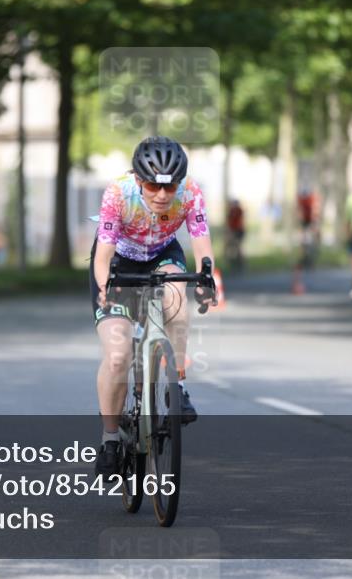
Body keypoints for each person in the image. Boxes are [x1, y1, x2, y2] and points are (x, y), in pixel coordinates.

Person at [91, 136, 215, 479]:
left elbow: (203, 245)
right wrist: (105, 289)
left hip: (162, 254)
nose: (162, 196)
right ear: (137, 179)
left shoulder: (191, 193)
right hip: (119, 262)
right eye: (152, 186)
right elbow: (102, 256)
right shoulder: (118, 193)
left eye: (169, 187)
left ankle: (179, 386)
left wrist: (206, 281)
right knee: (118, 355)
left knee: (177, 296)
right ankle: (111, 439)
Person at [225, 199, 245, 271]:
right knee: (231, 247)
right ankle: (232, 262)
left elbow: (237, 222)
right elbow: (229, 222)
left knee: (238, 247)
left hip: (238, 231)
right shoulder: (231, 211)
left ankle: (240, 263)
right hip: (233, 231)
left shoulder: (238, 211)